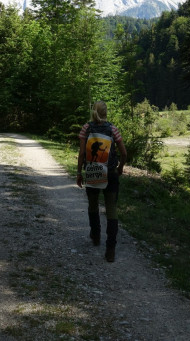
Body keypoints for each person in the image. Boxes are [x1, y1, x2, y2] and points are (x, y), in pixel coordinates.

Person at [76, 100, 127, 262]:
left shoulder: (86, 128)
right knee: (111, 209)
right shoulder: (113, 129)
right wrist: (120, 168)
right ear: (106, 113)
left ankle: (96, 235)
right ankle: (110, 250)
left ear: (93, 112)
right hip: (110, 172)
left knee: (93, 204)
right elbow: (124, 153)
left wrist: (79, 172)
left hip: (92, 171)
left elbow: (82, 153)